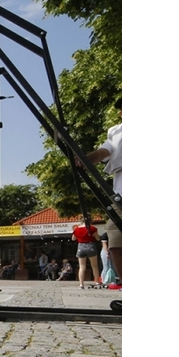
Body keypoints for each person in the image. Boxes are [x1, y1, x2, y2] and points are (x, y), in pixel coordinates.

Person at [79, 97, 122, 290]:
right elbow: (103, 152)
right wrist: (84, 160)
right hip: (122, 195)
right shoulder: (116, 132)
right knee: (116, 241)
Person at [72, 220, 101, 289]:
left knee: (82, 266)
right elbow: (98, 238)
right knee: (94, 266)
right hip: (90, 245)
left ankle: (81, 284)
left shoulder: (77, 229)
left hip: (81, 247)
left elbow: (73, 239)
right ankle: (97, 282)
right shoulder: (92, 228)